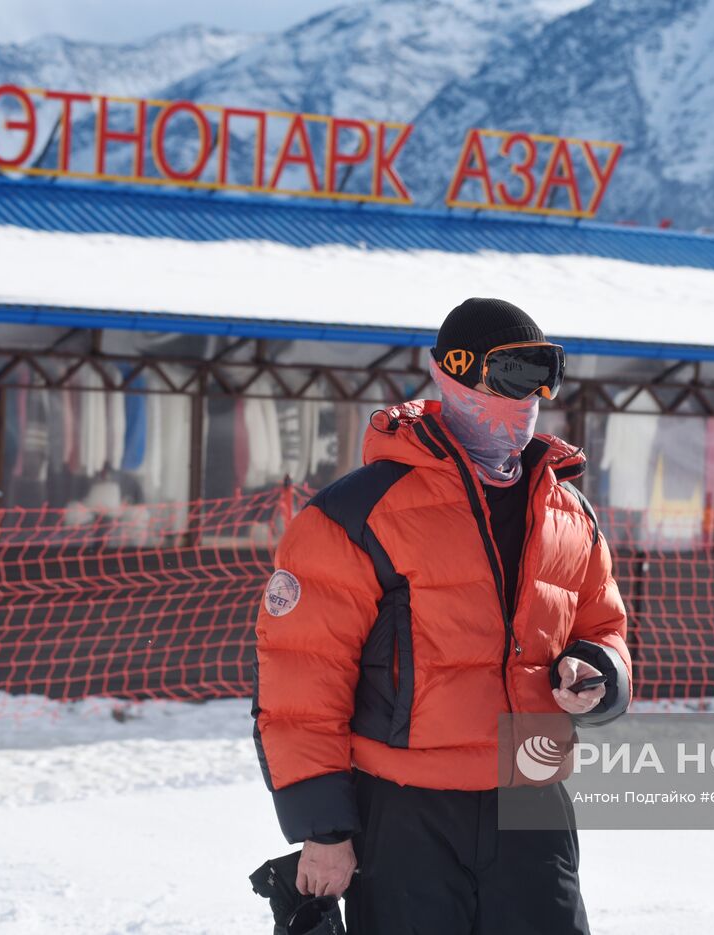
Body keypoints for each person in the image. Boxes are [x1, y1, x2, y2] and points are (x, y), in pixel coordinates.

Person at [253, 297, 632, 934]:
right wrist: (323, 830)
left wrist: (598, 672)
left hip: (532, 804)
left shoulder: (569, 511)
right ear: (450, 373)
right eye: (512, 374)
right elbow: (301, 679)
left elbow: (603, 628)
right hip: (406, 811)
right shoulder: (356, 513)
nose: (530, 395)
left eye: (545, 375)